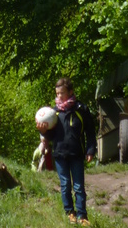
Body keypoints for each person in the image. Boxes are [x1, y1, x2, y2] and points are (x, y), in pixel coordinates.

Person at [38, 76, 96, 225]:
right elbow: (51, 136)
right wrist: (43, 131)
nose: (59, 96)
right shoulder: (53, 113)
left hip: (76, 154)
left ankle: (82, 216)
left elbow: (90, 131)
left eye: (62, 93)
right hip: (60, 155)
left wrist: (90, 150)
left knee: (79, 186)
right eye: (57, 93)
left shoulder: (81, 110)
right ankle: (70, 212)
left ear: (70, 92)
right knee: (65, 185)